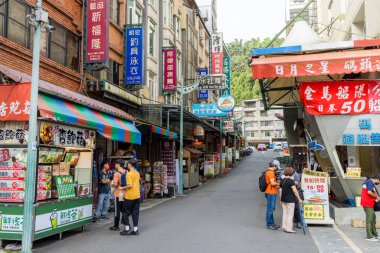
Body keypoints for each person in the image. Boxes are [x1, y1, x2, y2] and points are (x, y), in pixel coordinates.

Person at [120, 159, 141, 236]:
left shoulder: (129, 174)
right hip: (137, 195)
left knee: (125, 213)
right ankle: (135, 230)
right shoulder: (137, 173)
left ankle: (127, 228)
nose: (127, 164)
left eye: (128, 163)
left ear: (130, 165)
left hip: (129, 196)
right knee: (135, 213)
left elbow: (130, 185)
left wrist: (121, 188)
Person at [279, 167, 303, 233]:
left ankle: (284, 226)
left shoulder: (282, 180)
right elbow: (295, 191)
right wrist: (299, 199)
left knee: (285, 213)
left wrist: (280, 200)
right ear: (291, 173)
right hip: (290, 200)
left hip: (283, 199)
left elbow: (280, 190)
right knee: (290, 214)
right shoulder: (291, 181)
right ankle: (289, 228)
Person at [360, 174, 380, 242]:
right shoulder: (370, 182)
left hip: (369, 204)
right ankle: (369, 236)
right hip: (367, 203)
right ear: (377, 179)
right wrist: (377, 197)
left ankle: (374, 235)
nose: (379, 183)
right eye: (379, 181)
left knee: (373, 218)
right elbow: (369, 192)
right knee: (370, 218)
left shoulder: (370, 182)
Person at [109, 159, 126, 231]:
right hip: (124, 193)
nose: (115, 165)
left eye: (116, 164)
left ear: (118, 164)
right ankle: (126, 224)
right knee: (123, 209)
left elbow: (115, 184)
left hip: (118, 194)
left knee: (117, 211)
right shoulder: (126, 171)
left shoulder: (116, 173)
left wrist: (111, 183)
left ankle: (116, 226)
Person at [265, 160, 280, 230]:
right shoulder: (270, 172)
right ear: (275, 166)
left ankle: (272, 223)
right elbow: (272, 183)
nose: (277, 169)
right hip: (270, 192)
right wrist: (280, 184)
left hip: (270, 192)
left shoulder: (269, 171)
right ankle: (269, 224)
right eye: (277, 167)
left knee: (271, 208)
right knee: (270, 209)